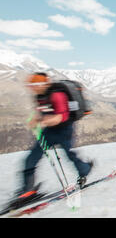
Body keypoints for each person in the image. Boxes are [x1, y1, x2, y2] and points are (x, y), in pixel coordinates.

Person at [18, 73, 93, 201]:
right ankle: (28, 190)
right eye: (31, 86)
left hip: (64, 130)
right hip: (50, 130)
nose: (32, 88)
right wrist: (36, 120)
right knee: (32, 156)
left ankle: (85, 169)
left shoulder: (57, 95)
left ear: (41, 84)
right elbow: (41, 112)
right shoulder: (40, 96)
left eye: (34, 85)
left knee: (70, 155)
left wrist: (43, 122)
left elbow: (60, 117)